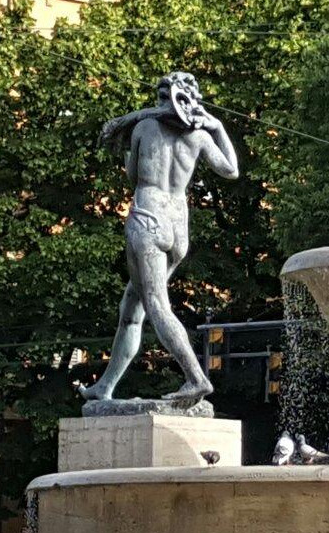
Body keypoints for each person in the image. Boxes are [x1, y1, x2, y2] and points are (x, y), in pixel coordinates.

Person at [79, 72, 239, 401]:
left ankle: (196, 378)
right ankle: (105, 386)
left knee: (156, 305)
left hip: (148, 221)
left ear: (160, 97)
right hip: (178, 230)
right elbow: (230, 170)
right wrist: (217, 127)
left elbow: (135, 176)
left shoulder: (144, 127)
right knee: (131, 308)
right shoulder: (199, 136)